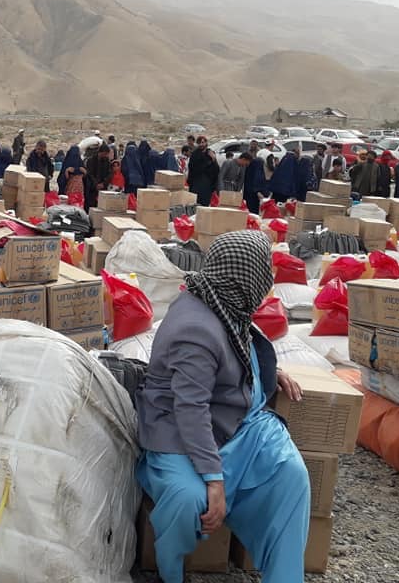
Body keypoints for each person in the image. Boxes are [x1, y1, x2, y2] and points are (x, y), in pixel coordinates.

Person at [136, 231, 309, 583]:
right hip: (181, 431)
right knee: (187, 500)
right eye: (263, 271)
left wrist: (266, 371)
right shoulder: (196, 329)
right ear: (246, 276)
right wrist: (214, 479)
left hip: (237, 422)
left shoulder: (223, 300)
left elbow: (235, 347)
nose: (267, 280)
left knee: (292, 476)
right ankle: (169, 573)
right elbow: (191, 409)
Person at [187, 137, 219, 206]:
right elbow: (193, 168)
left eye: (203, 142)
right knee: (195, 204)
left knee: (205, 204)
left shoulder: (210, 153)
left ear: (206, 143)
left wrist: (213, 159)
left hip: (207, 184)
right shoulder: (195, 154)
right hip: (196, 183)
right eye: (199, 143)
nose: (201, 144)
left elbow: (216, 169)